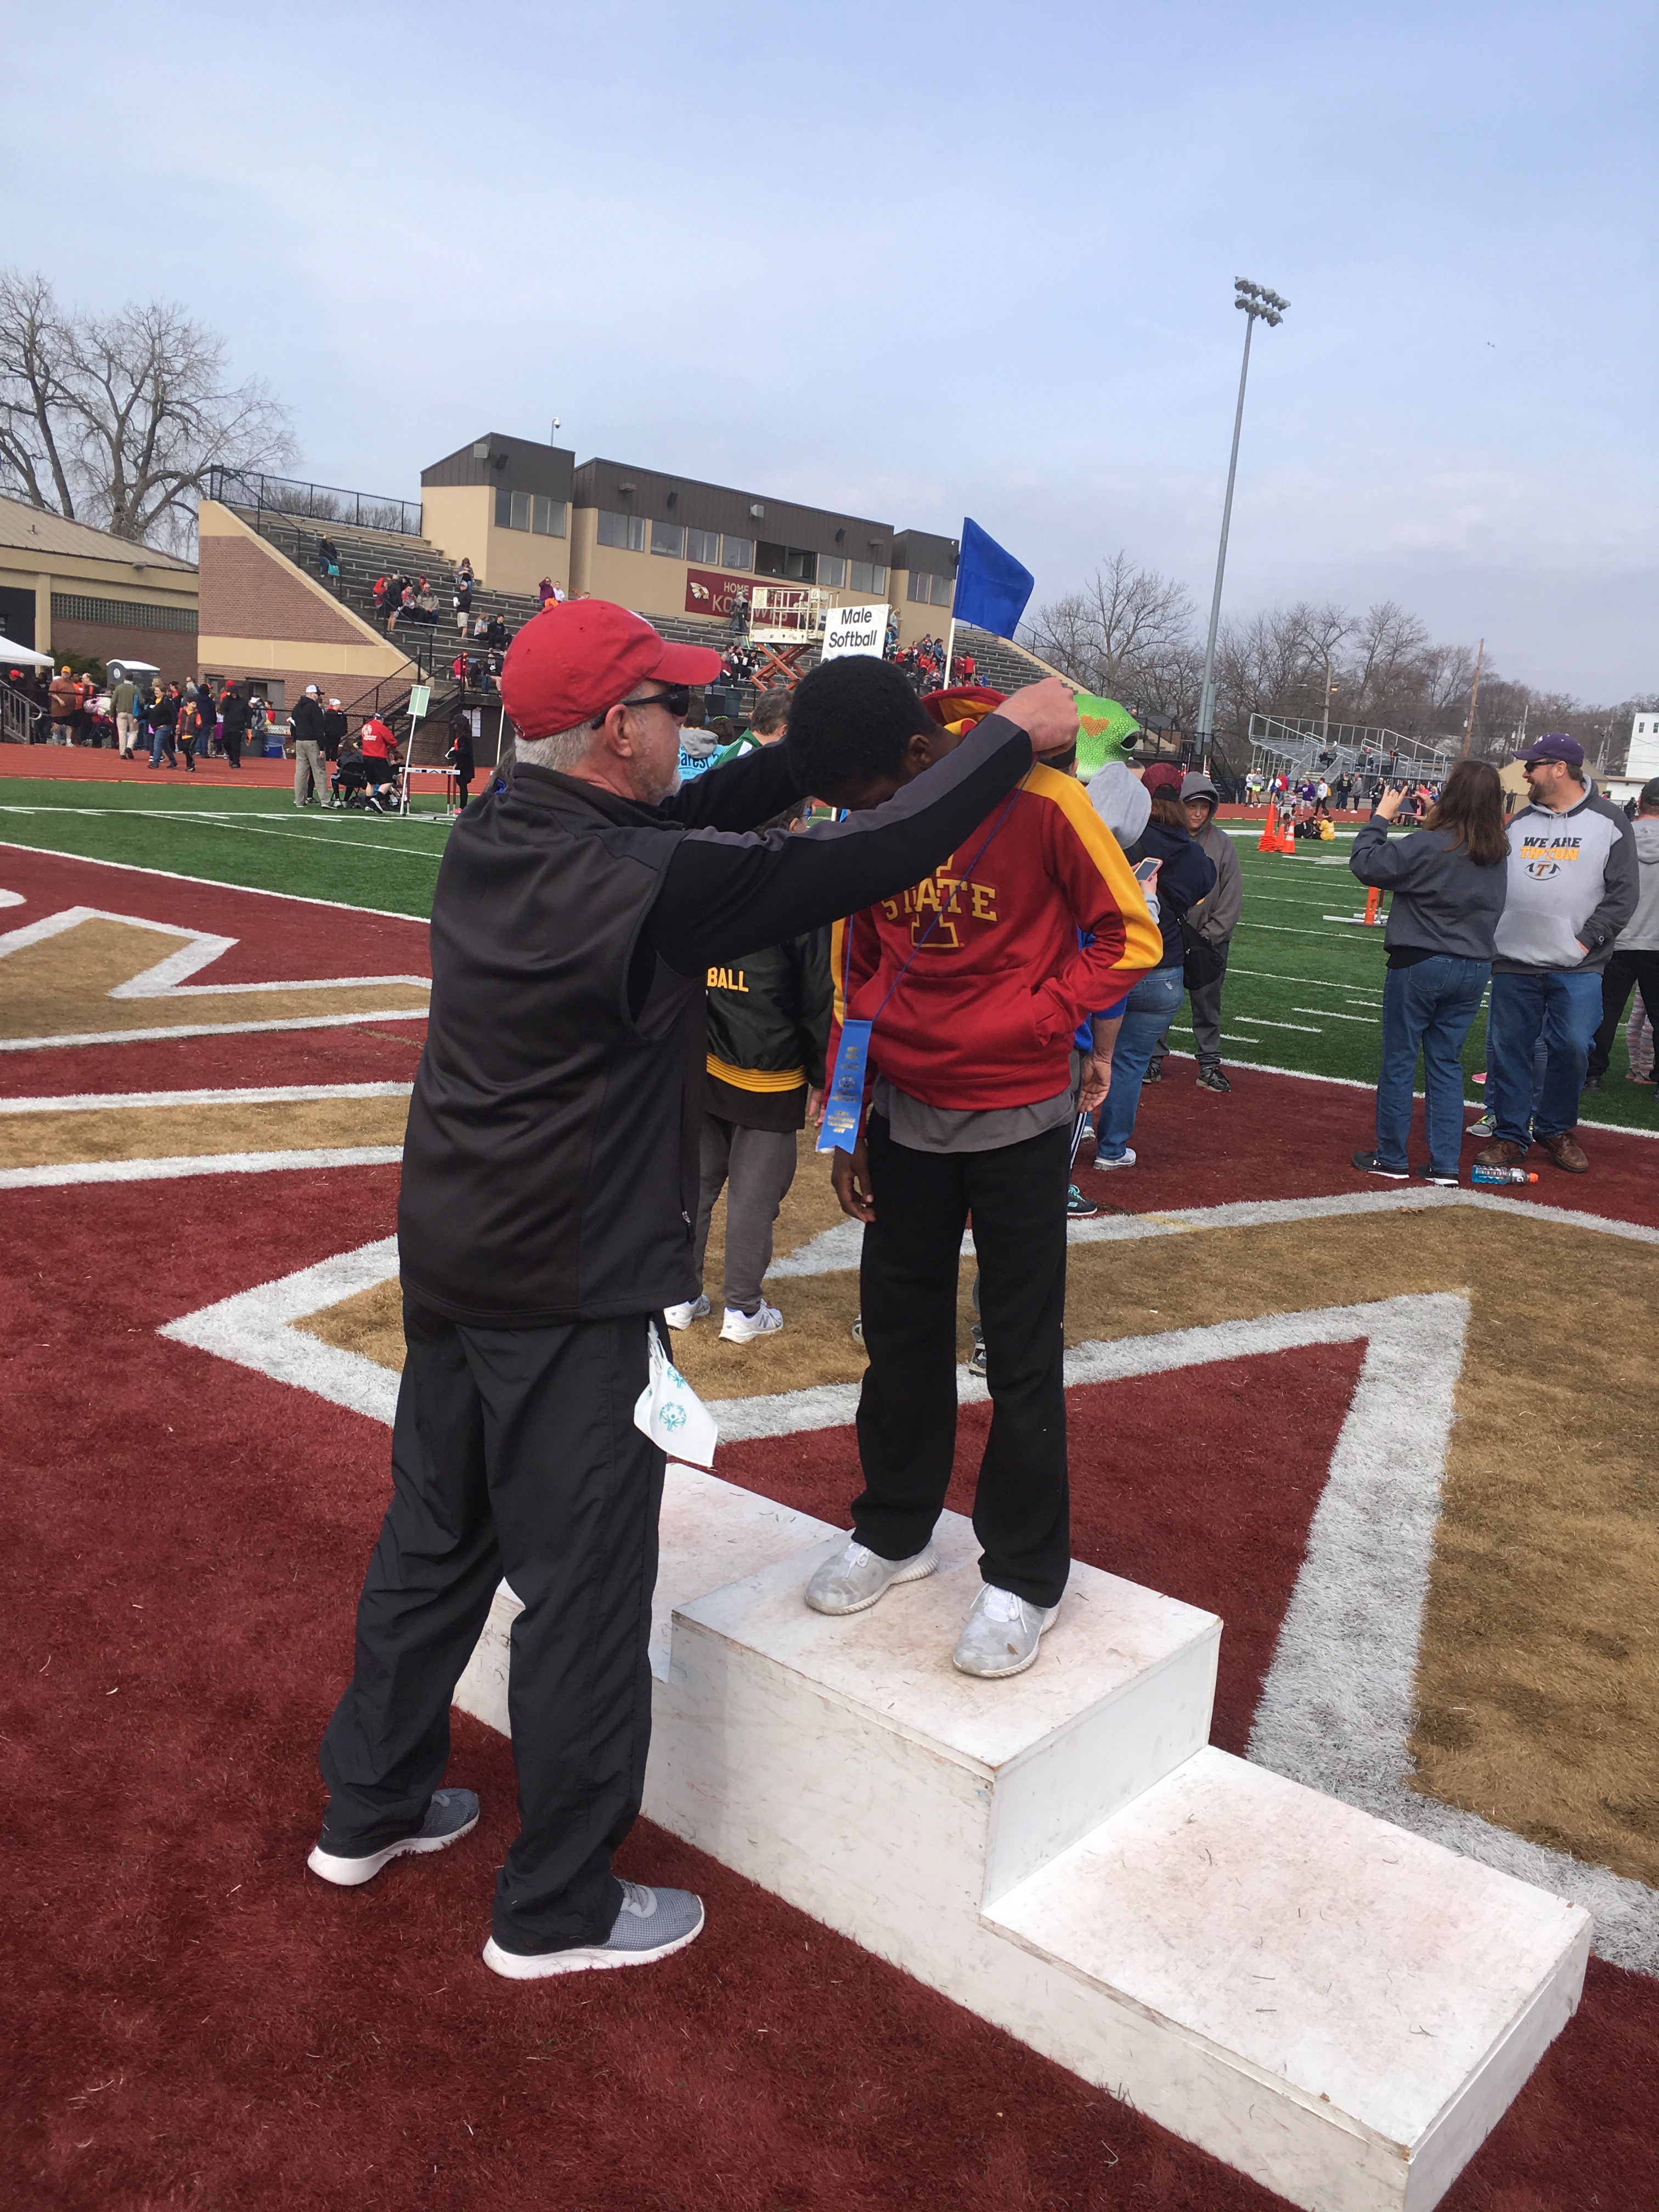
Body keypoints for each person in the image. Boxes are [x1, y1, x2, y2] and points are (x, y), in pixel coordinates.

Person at [308, 597, 1083, 1982]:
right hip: (569, 1282)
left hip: (457, 1252)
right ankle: (557, 1905)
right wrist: (1010, 737)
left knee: (435, 1538)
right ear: (618, 729)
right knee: (585, 1592)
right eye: (671, 706)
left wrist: (811, 751)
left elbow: (711, 807)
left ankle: (366, 1808)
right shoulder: (641, 880)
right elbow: (872, 854)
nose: (693, 724)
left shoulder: (503, 822)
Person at [804, 669, 1161, 1680]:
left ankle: (1024, 1574)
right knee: (898, 1334)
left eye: (875, 798)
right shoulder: (870, 821)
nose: (869, 820)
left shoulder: (1046, 803)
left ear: (920, 758)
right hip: (905, 1117)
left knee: (1019, 1348)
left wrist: (1042, 1016)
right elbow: (853, 981)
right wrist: (847, 1121)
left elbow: (1130, 935)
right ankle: (893, 1528)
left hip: (1018, 1118)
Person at [669, 804, 831, 1341]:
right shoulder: (800, 897)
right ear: (793, 826)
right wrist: (822, 1072)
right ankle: (742, 1308)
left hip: (707, 1057)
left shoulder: (715, 880)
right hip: (769, 1071)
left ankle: (679, 1294)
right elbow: (817, 994)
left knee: (696, 1183)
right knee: (754, 1198)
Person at [1475, 733, 1637, 1176]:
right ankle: (1511, 1134)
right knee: (1510, 1051)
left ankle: (1556, 1127)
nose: (1525, 773)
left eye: (1533, 765)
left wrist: (1586, 940)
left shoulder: (1610, 822)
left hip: (1579, 965)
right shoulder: (1520, 822)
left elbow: (1624, 895)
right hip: (1513, 961)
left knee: (1573, 1046)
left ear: (1560, 769)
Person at [1346, 762, 1510, 1184]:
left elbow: (1366, 864)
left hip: (1421, 960)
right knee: (1446, 1064)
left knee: (1400, 1061)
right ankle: (1444, 1163)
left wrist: (1380, 818)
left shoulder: (1429, 844)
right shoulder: (1497, 854)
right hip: (1474, 966)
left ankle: (1392, 1156)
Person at [1091, 770, 1217, 1167]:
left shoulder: (1122, 839)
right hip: (1164, 967)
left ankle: (1074, 1132)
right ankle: (1112, 1149)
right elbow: (1205, 883)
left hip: (1115, 961)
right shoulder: (1192, 853)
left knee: (1087, 1054)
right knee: (1130, 1063)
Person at [1146, 771, 1242, 1093]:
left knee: (1207, 1005)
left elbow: (1231, 898)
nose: (1198, 813)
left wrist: (1210, 936)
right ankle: (1153, 1059)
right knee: (1161, 1002)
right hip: (1169, 937)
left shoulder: (1222, 844)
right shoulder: (1167, 838)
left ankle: (1209, 1064)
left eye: (1204, 807)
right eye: (1191, 806)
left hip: (1207, 941)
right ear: (1180, 805)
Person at [1585, 776, 1659, 1088]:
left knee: (1604, 1010)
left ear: (1639, 802)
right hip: (1655, 942)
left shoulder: (1618, 836)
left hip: (1616, 937)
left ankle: (1592, 1074)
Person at [291, 684, 330, 808]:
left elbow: (293, 725)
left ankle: (299, 801)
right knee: (319, 771)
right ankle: (325, 801)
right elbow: (319, 729)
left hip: (300, 741)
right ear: (312, 694)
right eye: (317, 694)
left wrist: (296, 739)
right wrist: (322, 747)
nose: (318, 697)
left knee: (301, 773)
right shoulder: (314, 708)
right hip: (313, 742)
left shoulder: (297, 707)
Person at [444, 708, 475, 815]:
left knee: (463, 786)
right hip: (461, 764)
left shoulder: (466, 737)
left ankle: (463, 807)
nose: (455, 727)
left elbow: (465, 750)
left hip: (465, 766)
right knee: (461, 785)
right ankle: (463, 807)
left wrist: (454, 753)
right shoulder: (462, 736)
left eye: (456, 724)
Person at [148, 684, 179, 769]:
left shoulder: (167, 702)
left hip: (165, 726)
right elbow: (148, 712)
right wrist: (138, 718)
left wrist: (175, 725)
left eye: (158, 691)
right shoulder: (154, 701)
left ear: (163, 692)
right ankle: (173, 762)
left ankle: (155, 763)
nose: (156, 692)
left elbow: (173, 714)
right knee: (165, 746)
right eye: (155, 690)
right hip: (156, 727)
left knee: (157, 743)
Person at [219, 684, 249, 770]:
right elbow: (223, 707)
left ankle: (236, 761)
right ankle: (232, 757)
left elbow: (248, 714)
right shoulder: (227, 700)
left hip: (238, 726)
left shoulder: (243, 702)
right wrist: (227, 697)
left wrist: (249, 726)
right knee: (226, 742)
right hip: (228, 725)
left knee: (236, 744)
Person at [109, 670, 138, 759]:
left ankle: (122, 753)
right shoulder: (136, 689)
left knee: (122, 732)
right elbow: (141, 701)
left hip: (121, 712)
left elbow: (113, 702)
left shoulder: (119, 688)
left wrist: (111, 713)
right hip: (133, 713)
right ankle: (129, 746)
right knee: (134, 731)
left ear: (124, 677)